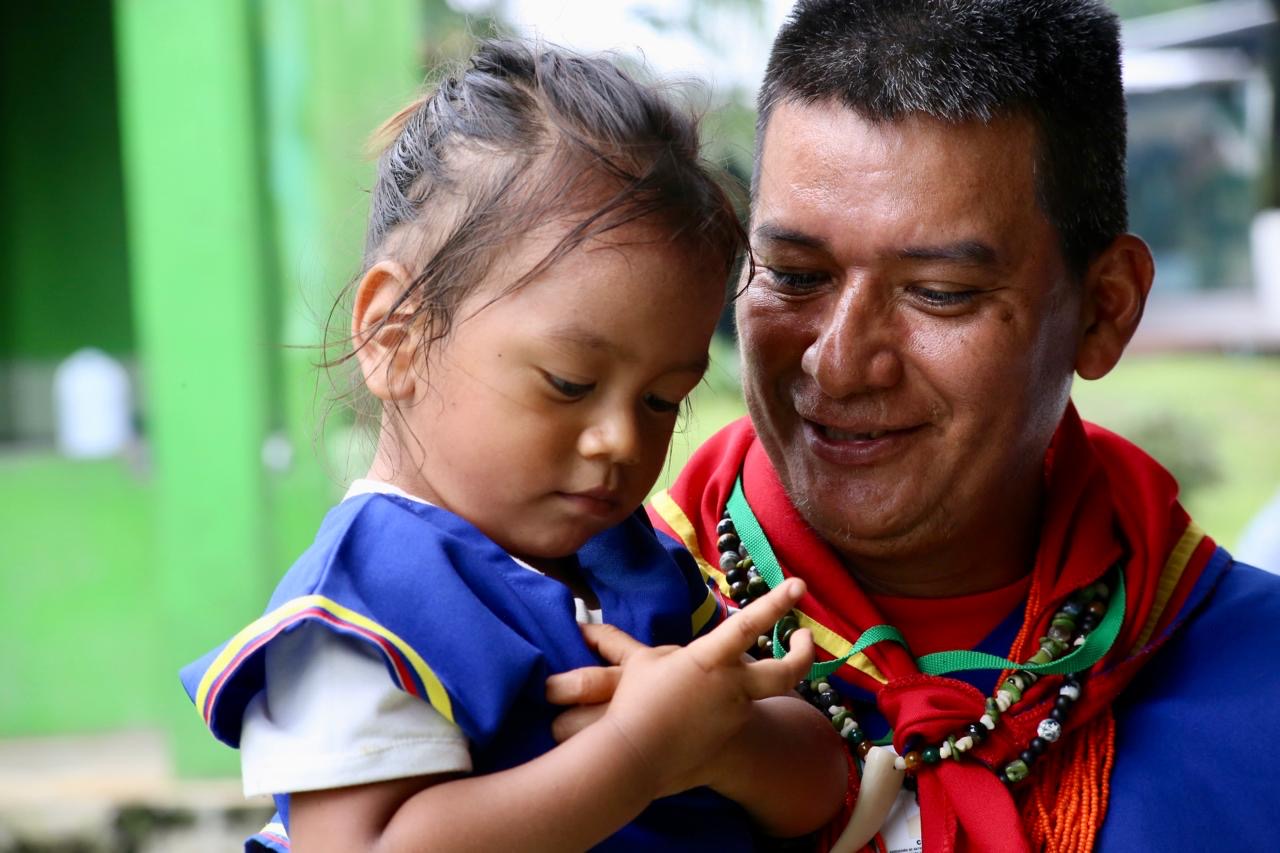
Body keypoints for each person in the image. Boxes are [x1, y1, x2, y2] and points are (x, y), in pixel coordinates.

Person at [552, 2, 1280, 851]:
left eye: (939, 293)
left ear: (1103, 310)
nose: (837, 362)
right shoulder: (572, 633)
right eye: (793, 274)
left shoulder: (1253, 686)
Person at [179, 40, 848, 852]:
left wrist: (725, 741)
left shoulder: (632, 560)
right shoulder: (360, 610)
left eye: (661, 399)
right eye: (569, 382)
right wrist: (638, 753)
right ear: (394, 336)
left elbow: (823, 781)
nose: (620, 439)